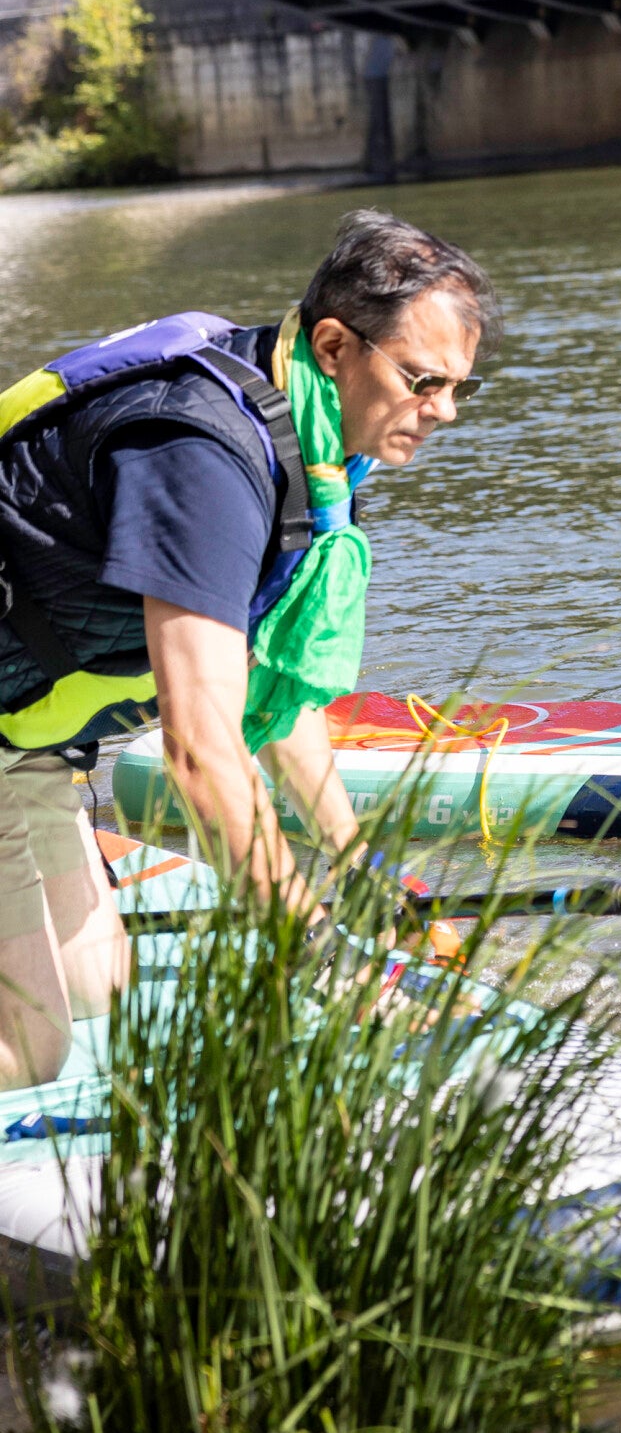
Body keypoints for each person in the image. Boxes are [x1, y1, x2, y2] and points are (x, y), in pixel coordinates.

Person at [0, 208, 496, 1088]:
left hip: (29, 746)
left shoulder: (312, 445)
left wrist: (363, 871)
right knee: (30, 1053)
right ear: (336, 346)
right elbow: (200, 752)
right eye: (424, 381)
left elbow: (271, 691)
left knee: (98, 989)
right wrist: (331, 966)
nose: (444, 412)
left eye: (460, 386)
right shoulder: (201, 457)